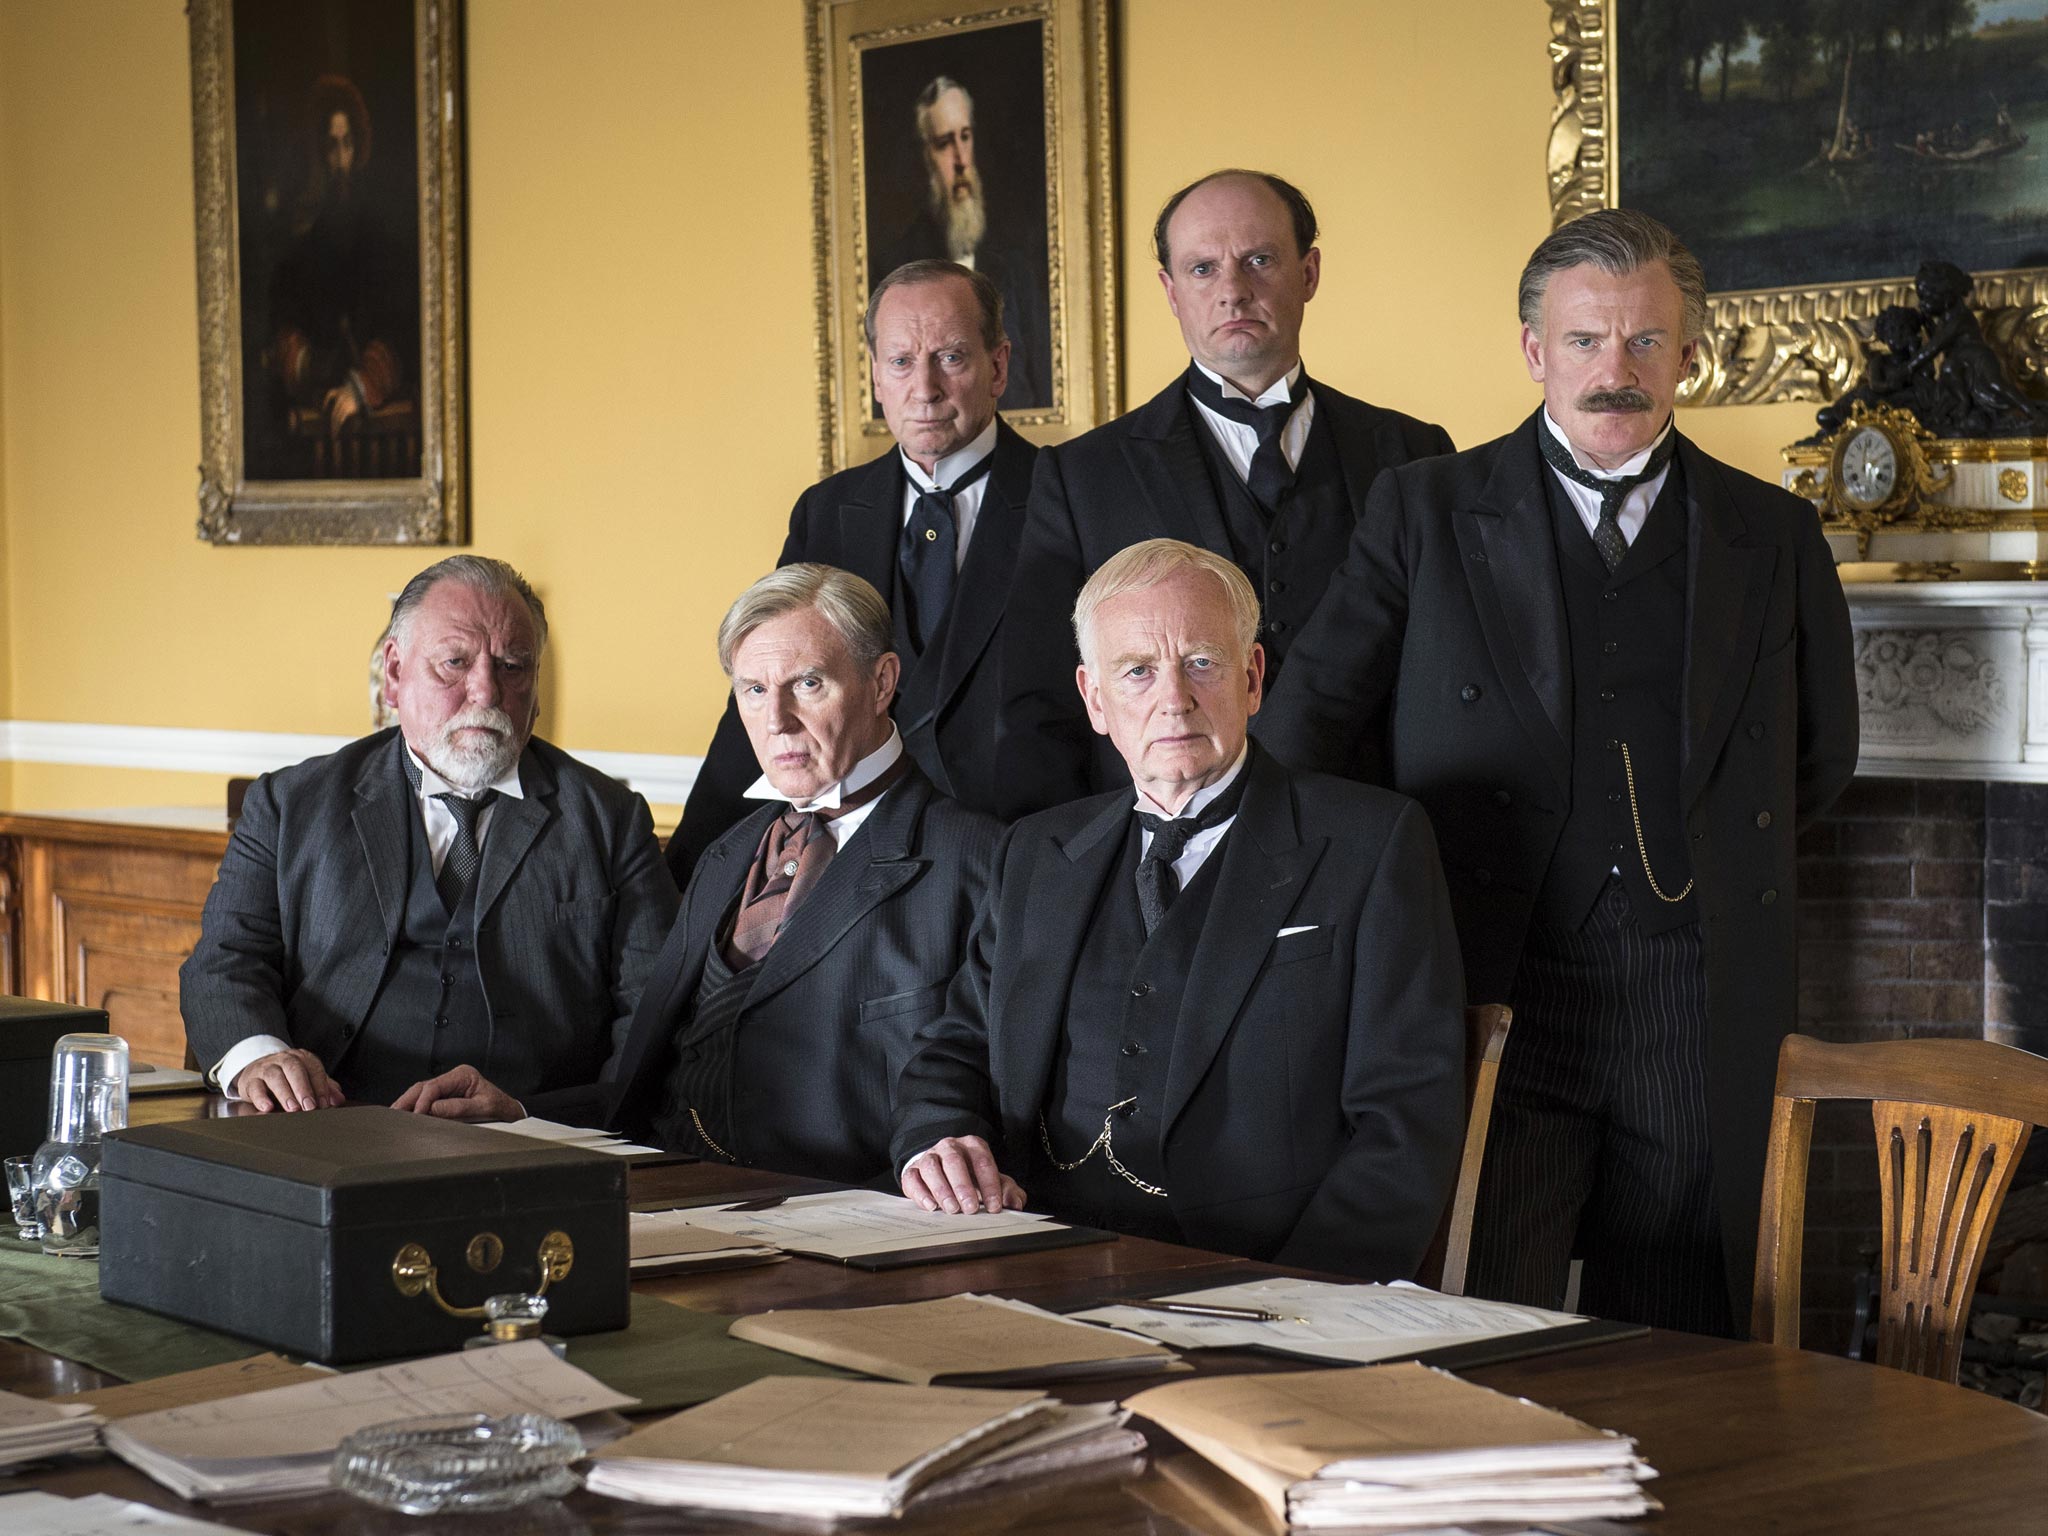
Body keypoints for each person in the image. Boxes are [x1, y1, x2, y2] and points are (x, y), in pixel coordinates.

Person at [1258, 209, 1859, 1332]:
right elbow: (1303, 730)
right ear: (1532, 350)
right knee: (1485, 1307)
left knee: (1681, 1318)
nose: (1613, 372)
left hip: (1694, 984)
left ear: (1690, 355)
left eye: (1643, 342)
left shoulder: (1770, 533)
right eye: (1584, 340)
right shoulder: (1425, 510)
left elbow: (1820, 758)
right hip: (1495, 977)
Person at [891, 540, 1465, 1278]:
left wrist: (1298, 1296)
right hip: (1029, 1251)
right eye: (1137, 671)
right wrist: (939, 1136)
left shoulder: (1372, 843)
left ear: (1253, 678)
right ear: (1095, 699)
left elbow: (1405, 1121)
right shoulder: (1037, 850)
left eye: (1201, 662)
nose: (1174, 699)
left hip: (1256, 1273)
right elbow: (956, 1045)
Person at [995, 170, 1454, 815]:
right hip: (1154, 850)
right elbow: (1040, 704)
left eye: (1259, 260)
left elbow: (1447, 680)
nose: (1233, 291)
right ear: (1171, 291)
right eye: (1203, 269)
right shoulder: (1081, 476)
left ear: (1310, 273)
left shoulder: (1414, 455)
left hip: (1369, 835)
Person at [180, 555, 679, 1121]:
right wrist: (260, 1059)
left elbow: (651, 1013)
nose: (486, 693)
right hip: (319, 1125)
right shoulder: (290, 804)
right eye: (454, 663)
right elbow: (224, 962)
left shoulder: (610, 821)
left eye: (513, 666)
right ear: (394, 672)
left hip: (520, 1145)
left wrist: (529, 1115)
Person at [607, 565, 1001, 1184]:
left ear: (881, 682)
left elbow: (978, 1078)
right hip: (661, 1184)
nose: (776, 721)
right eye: (754, 691)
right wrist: (522, 1111)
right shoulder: (725, 853)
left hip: (841, 1216)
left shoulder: (978, 860)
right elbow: (641, 1079)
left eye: (808, 684)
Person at [666, 262, 1033, 887]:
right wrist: (682, 876)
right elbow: (763, 686)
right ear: (874, 376)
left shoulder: (1066, 495)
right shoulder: (827, 512)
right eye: (900, 362)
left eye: (950, 358)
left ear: (998, 367)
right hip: (858, 858)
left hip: (1019, 852)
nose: (924, 388)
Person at [260, 74, 419, 480]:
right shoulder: (301, 240)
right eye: (331, 146)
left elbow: (401, 325)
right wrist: (308, 363)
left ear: (358, 148)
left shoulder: (377, 235)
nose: (340, 158)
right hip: (312, 422)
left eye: (347, 145)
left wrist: (361, 387)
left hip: (373, 421)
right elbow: (281, 323)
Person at [871, 76, 1050, 410]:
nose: (960, 160)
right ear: (924, 156)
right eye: (944, 143)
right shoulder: (890, 269)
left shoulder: (1014, 263)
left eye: (964, 138)